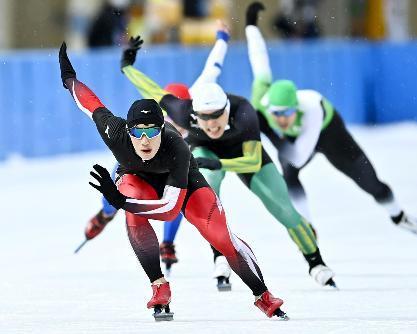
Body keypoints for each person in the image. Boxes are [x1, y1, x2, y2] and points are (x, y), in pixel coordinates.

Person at [59, 42, 289, 321]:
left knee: (220, 236)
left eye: (152, 131)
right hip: (137, 177)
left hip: (182, 180)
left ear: (163, 127)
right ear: (127, 131)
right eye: (138, 132)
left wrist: (122, 202)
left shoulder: (177, 146)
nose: (145, 140)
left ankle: (262, 294)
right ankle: (159, 286)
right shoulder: (114, 131)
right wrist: (70, 80)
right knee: (131, 212)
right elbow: (90, 103)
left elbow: (169, 211)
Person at [120, 36, 337, 288]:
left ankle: (316, 262)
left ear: (226, 110)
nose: (211, 124)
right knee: (208, 187)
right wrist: (127, 66)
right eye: (205, 118)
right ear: (194, 115)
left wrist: (222, 164)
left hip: (244, 154)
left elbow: (253, 159)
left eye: (217, 117)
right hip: (207, 152)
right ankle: (219, 254)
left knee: (284, 209)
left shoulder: (244, 112)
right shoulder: (182, 111)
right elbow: (153, 91)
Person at [245, 2, 417, 239]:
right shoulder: (262, 97)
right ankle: (306, 226)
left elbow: (299, 155)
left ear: (296, 108)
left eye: (286, 114)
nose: (281, 119)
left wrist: (269, 131)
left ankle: (398, 215)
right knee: (288, 174)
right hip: (295, 139)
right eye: (276, 114)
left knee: (371, 183)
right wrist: (251, 24)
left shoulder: (311, 107)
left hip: (328, 132)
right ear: (268, 107)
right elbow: (259, 58)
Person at [84, 22, 232, 275]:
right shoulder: (158, 113)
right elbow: (142, 83)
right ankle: (105, 213)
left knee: (177, 193)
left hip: (168, 163)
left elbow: (213, 68)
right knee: (115, 195)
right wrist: (126, 64)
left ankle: (167, 242)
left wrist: (222, 38)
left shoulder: (197, 105)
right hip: (137, 158)